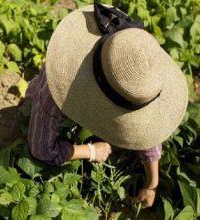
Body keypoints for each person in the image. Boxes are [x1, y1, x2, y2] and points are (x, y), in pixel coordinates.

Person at [25, 4, 188, 208]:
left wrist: (152, 183)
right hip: (48, 110)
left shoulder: (140, 65)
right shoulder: (57, 91)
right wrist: (90, 151)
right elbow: (41, 150)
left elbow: (146, 120)